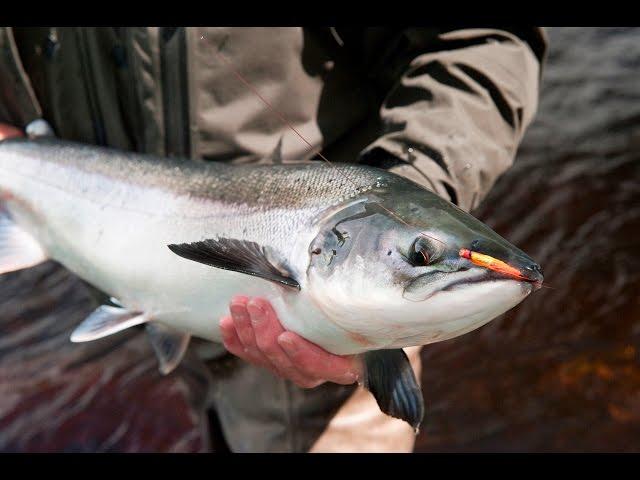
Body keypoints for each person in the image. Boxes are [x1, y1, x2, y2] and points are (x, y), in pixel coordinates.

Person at [0, 27, 547, 452]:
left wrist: (416, 189)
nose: (423, 261)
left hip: (332, 385)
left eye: (419, 257)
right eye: (421, 257)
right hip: (163, 326)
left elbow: (481, 42)